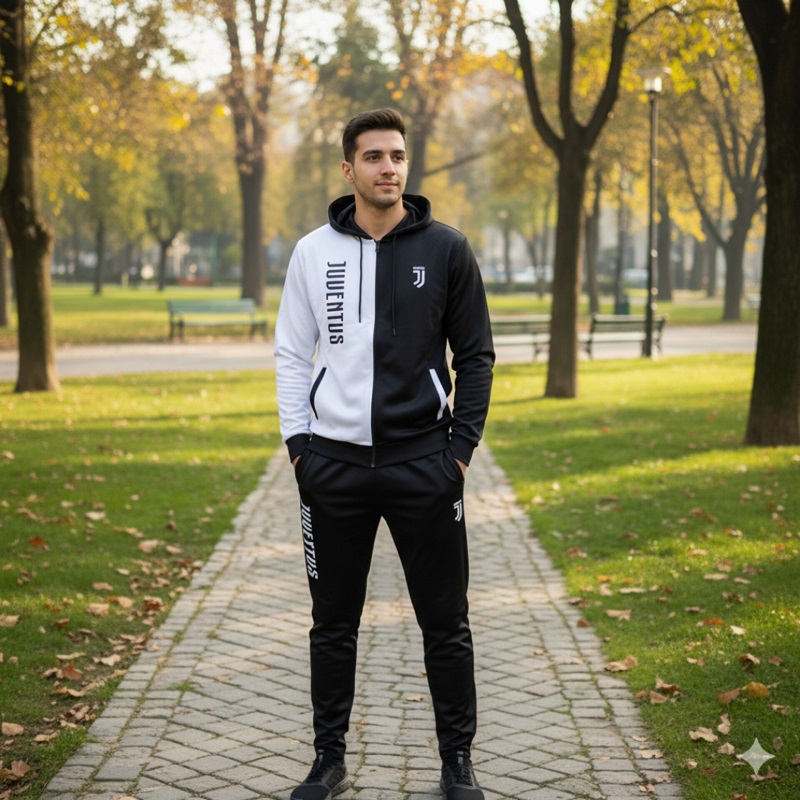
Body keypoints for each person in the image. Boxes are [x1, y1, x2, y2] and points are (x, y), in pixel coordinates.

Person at [274, 108, 495, 800]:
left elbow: (477, 357)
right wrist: (299, 448)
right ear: (349, 169)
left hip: (425, 466)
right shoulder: (313, 253)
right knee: (332, 625)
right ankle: (328, 760)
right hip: (332, 468)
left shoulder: (448, 248)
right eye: (373, 156)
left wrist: (459, 454)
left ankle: (457, 762)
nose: (388, 167)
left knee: (445, 623)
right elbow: (291, 353)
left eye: (397, 155)